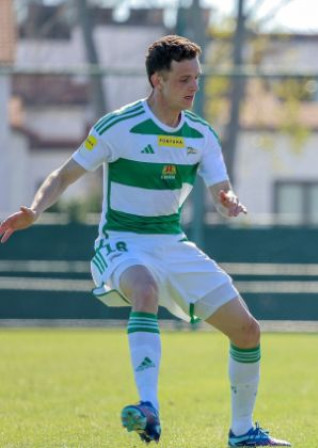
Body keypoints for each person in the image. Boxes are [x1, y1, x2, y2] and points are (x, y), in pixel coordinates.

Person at [0, 35, 290, 447]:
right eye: (184, 79)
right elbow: (64, 175)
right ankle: (149, 407)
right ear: (158, 80)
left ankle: (242, 433)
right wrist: (34, 209)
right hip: (120, 243)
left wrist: (228, 202)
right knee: (145, 289)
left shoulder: (201, 135)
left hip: (171, 243)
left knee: (247, 331)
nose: (193, 87)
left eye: (197, 78)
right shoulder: (118, 126)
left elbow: (221, 192)